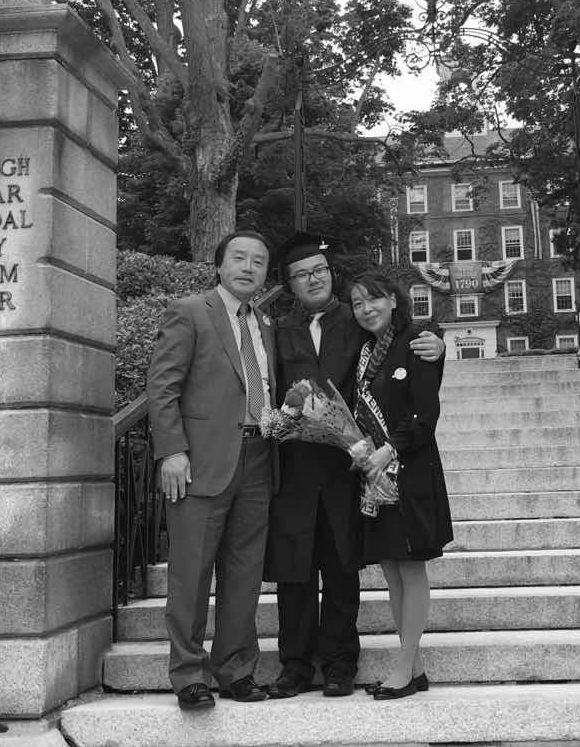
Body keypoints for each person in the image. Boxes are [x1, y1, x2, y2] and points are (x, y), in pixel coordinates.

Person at [265, 232, 445, 699]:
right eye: (302, 275)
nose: (313, 280)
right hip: (298, 464)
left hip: (350, 466)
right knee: (295, 568)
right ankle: (295, 665)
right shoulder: (277, 328)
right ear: (289, 284)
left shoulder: (357, 318)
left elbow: (404, 336)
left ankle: (341, 663)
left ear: (331, 275)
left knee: (343, 566)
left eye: (319, 272)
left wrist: (438, 343)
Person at [146, 230, 277, 711]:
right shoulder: (190, 311)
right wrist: (172, 451)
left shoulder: (265, 323)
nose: (248, 267)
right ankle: (188, 674)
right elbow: (161, 386)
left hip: (259, 458)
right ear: (219, 265)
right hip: (199, 463)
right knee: (191, 572)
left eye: (259, 262)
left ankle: (237, 669)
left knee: (244, 574)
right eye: (239, 258)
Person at [349, 270, 453, 700]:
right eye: (356, 303)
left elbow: (425, 416)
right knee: (392, 571)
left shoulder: (418, 341)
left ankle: (404, 669)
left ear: (394, 300)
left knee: (411, 568)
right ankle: (415, 667)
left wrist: (388, 451)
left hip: (410, 472)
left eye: (374, 299)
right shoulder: (365, 352)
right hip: (375, 477)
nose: (366, 308)